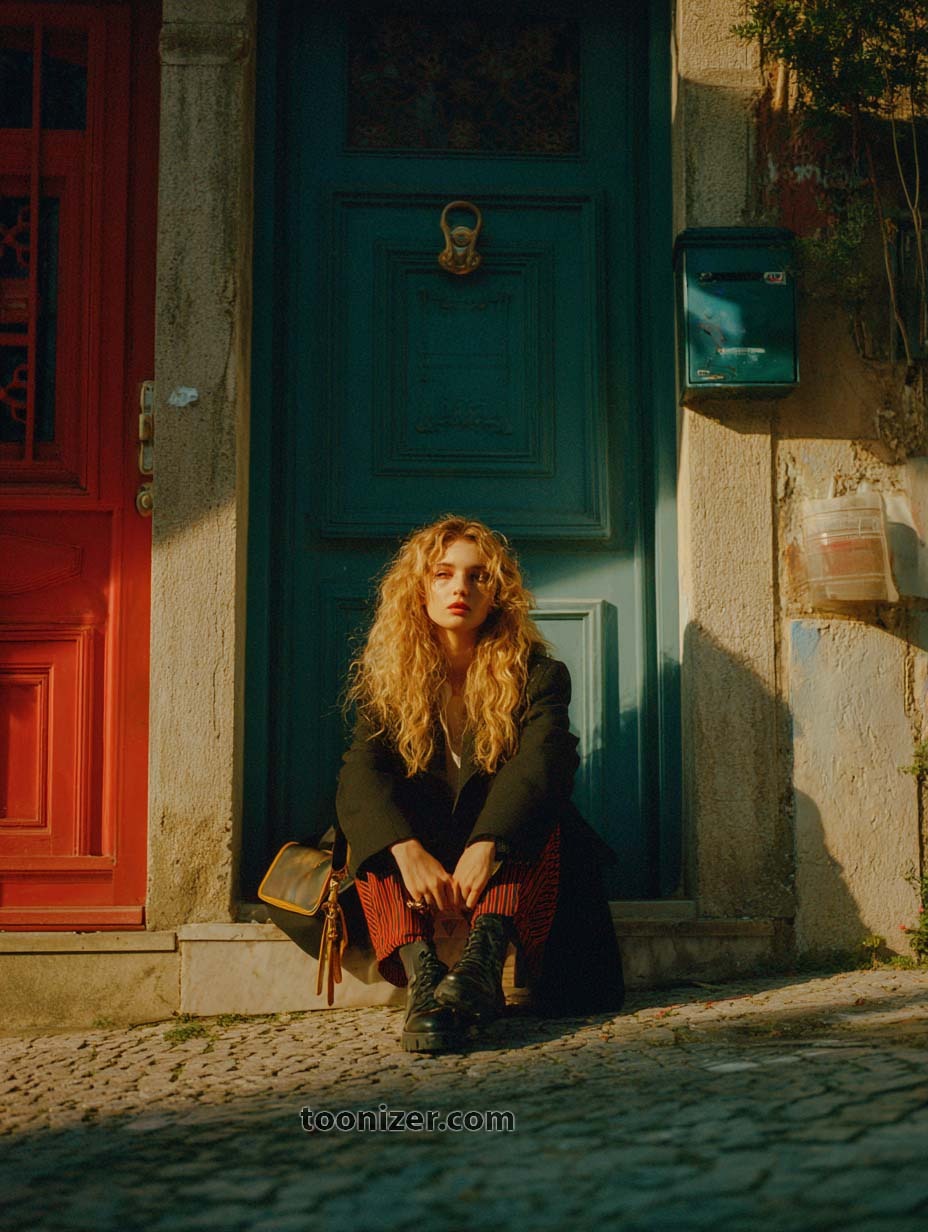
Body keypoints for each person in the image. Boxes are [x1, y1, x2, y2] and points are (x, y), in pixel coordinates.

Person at [336, 514, 624, 1052]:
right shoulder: (389, 680)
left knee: (538, 809)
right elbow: (361, 775)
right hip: (426, 862)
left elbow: (544, 765)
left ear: (499, 593)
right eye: (443, 574)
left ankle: (481, 966)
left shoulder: (538, 674)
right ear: (419, 589)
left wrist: (489, 844)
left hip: (498, 864)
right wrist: (404, 850)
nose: (460, 589)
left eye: (478, 576)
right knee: (372, 826)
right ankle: (424, 981)